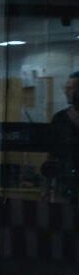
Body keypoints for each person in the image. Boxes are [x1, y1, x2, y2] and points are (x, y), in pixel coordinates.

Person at [43, 71, 79, 203]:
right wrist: (46, 187)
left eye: (71, 88)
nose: (66, 91)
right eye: (66, 87)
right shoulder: (59, 119)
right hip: (64, 181)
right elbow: (51, 154)